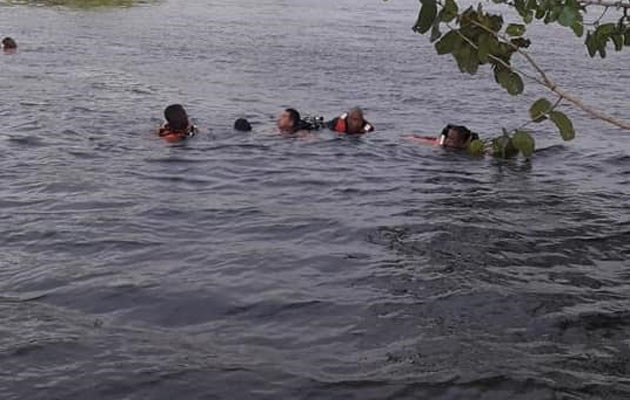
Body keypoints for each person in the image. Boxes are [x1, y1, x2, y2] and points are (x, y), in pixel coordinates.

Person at [403, 124, 479, 149]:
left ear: (462, 143)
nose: (447, 141)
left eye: (451, 139)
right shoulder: (442, 143)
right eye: (447, 137)